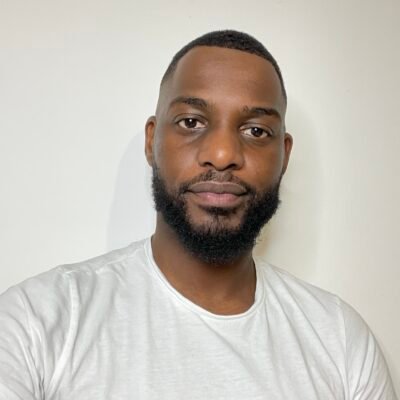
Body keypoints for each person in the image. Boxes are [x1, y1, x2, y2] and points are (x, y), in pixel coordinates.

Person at [0, 30, 396, 399]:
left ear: (284, 155)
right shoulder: (36, 323)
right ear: (152, 140)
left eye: (256, 131)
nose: (222, 155)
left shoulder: (341, 342)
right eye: (191, 122)